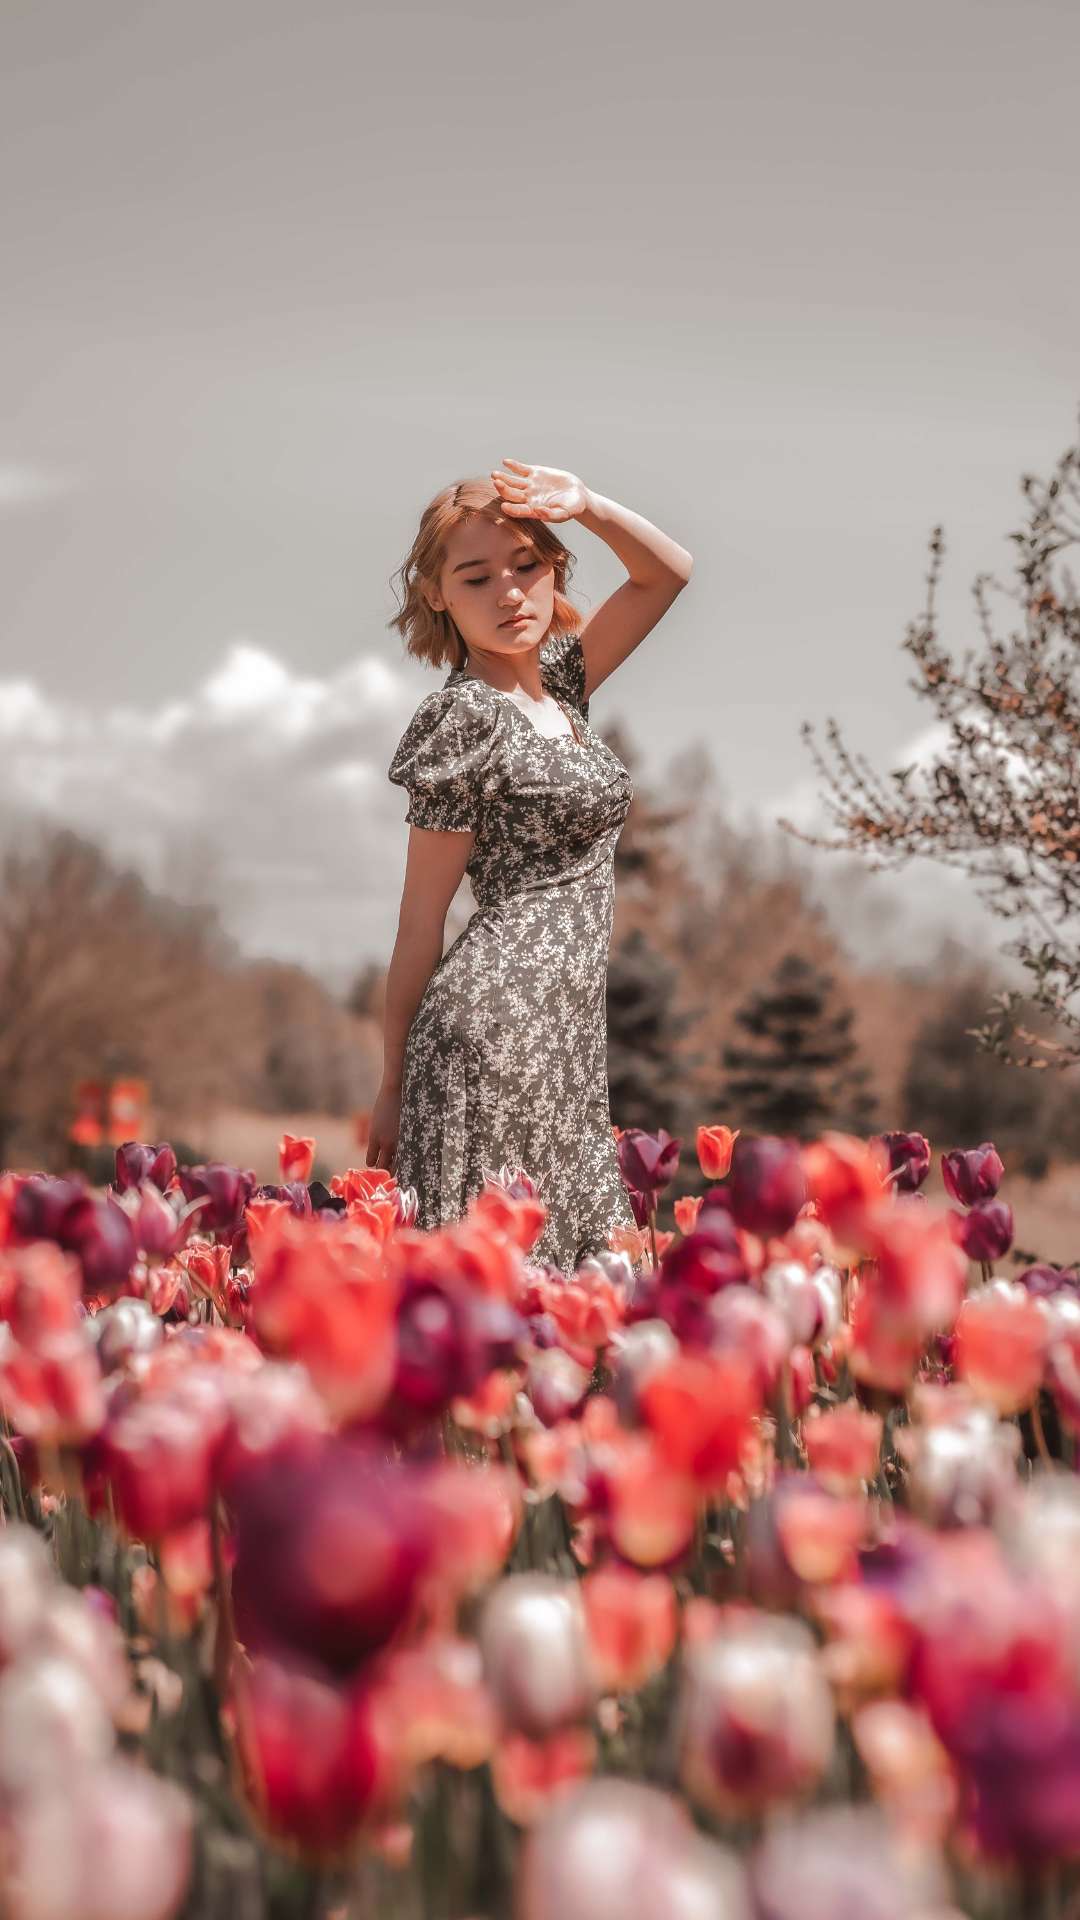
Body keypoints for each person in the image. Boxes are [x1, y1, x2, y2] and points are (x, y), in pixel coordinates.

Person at [368, 457, 693, 1275]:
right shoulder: (462, 719)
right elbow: (421, 920)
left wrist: (586, 505)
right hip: (484, 1037)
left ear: (553, 571)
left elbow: (666, 575)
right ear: (439, 594)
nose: (510, 592)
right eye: (477, 577)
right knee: (497, 1288)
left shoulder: (564, 687)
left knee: (585, 1293)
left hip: (569, 1044)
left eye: (527, 566)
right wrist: (392, 1083)